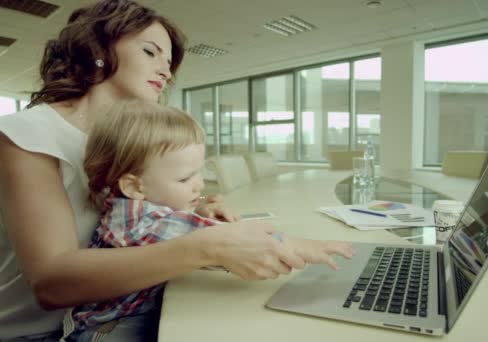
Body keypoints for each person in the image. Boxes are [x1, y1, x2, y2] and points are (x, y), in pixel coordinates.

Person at [0, 0, 354, 340]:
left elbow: (115, 217)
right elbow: (52, 284)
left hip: (86, 319)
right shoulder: (27, 135)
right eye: (151, 52)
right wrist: (206, 246)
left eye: (169, 61)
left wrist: (180, 207)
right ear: (98, 48)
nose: (166, 71)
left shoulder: (121, 141)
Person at [61, 100, 346, 341]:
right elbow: (235, 243)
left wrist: (195, 212)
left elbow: (173, 225)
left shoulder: (130, 206)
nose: (199, 186)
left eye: (199, 172)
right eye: (185, 178)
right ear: (135, 187)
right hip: (110, 331)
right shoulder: (143, 222)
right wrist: (303, 245)